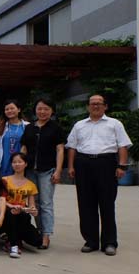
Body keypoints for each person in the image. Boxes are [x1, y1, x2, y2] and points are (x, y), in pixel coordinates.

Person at [66, 94, 131, 256]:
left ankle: (109, 242)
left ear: (105, 106)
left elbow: (122, 145)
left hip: (106, 164)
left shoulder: (115, 124)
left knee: (107, 203)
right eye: (92, 103)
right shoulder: (79, 125)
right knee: (85, 204)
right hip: (83, 164)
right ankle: (91, 241)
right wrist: (71, 166)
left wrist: (122, 166)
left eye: (99, 103)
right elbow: (72, 147)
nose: (95, 106)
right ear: (88, 106)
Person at [20, 97, 64, 249]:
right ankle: (40, 230)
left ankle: (46, 235)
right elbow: (24, 148)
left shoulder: (56, 128)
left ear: (52, 111)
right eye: (39, 108)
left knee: (46, 203)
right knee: (34, 202)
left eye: (46, 109)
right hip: (30, 171)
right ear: (35, 110)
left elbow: (60, 150)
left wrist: (58, 170)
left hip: (47, 170)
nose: (42, 111)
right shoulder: (29, 128)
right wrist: (20, 166)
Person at [1, 153, 42, 258]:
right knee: (12, 214)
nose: (17, 164)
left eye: (20, 162)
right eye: (14, 162)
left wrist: (33, 211)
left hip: (22, 215)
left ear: (26, 164)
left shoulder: (31, 185)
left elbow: (32, 206)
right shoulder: (4, 180)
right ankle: (13, 245)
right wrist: (11, 206)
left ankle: (12, 237)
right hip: (7, 213)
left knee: (38, 241)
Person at [0, 99, 28, 176]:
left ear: (19, 109)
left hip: (19, 163)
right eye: (7, 109)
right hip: (3, 162)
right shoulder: (0, 126)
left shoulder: (27, 126)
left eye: (12, 108)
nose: (9, 111)